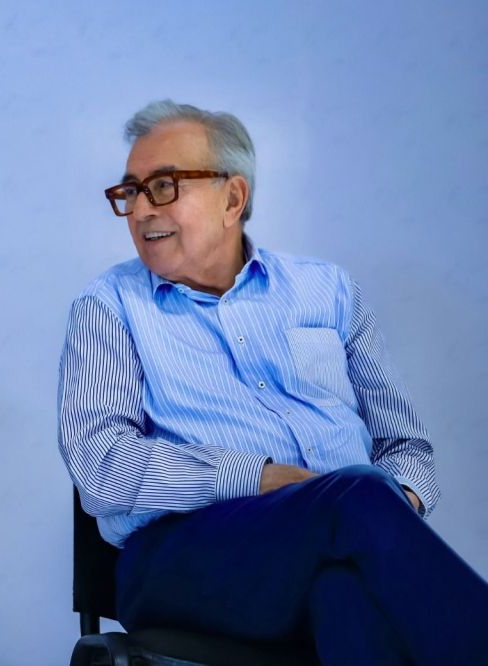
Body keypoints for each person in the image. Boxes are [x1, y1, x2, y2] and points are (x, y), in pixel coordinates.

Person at [57, 99, 488, 664]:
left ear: (232, 198)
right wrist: (262, 478)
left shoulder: (327, 291)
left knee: (342, 592)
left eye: (162, 186)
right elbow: (102, 468)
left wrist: (391, 507)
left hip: (336, 540)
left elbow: (404, 445)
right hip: (179, 558)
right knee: (357, 497)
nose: (139, 210)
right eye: (131, 192)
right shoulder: (109, 307)